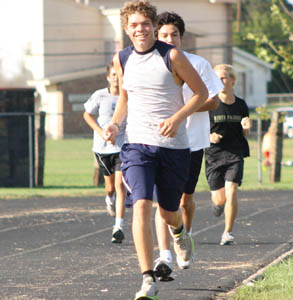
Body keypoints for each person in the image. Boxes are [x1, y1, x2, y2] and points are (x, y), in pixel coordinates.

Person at [103, 1, 209, 298]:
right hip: (136, 144)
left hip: (173, 147)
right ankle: (147, 279)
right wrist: (114, 124)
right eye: (134, 25)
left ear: (153, 25)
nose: (140, 29)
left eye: (145, 24)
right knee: (141, 205)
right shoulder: (122, 58)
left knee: (168, 212)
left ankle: (179, 233)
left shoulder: (171, 55)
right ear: (126, 29)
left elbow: (201, 93)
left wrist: (177, 119)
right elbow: (125, 97)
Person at [152, 11, 224, 281]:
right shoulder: (150, 64)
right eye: (164, 35)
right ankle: (164, 254)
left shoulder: (198, 63)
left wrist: (182, 110)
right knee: (162, 201)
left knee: (184, 199)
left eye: (174, 35)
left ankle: (186, 237)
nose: (169, 39)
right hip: (159, 141)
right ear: (156, 36)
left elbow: (214, 101)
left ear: (182, 37)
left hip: (192, 141)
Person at [82, 62, 127, 244]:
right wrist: (101, 132)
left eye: (120, 75)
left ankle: (119, 226)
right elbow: (87, 115)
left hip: (123, 147)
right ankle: (109, 198)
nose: (117, 78)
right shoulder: (99, 95)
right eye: (113, 75)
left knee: (120, 185)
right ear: (108, 77)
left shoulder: (128, 96)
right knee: (110, 188)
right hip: (102, 148)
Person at [207, 64, 251, 246]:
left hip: (235, 153)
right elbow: (199, 128)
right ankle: (218, 206)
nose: (221, 81)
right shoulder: (210, 103)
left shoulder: (241, 104)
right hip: (214, 155)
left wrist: (247, 129)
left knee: (232, 190)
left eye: (224, 78)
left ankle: (228, 233)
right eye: (217, 78)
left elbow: (245, 131)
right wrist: (210, 136)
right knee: (219, 199)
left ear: (232, 80)